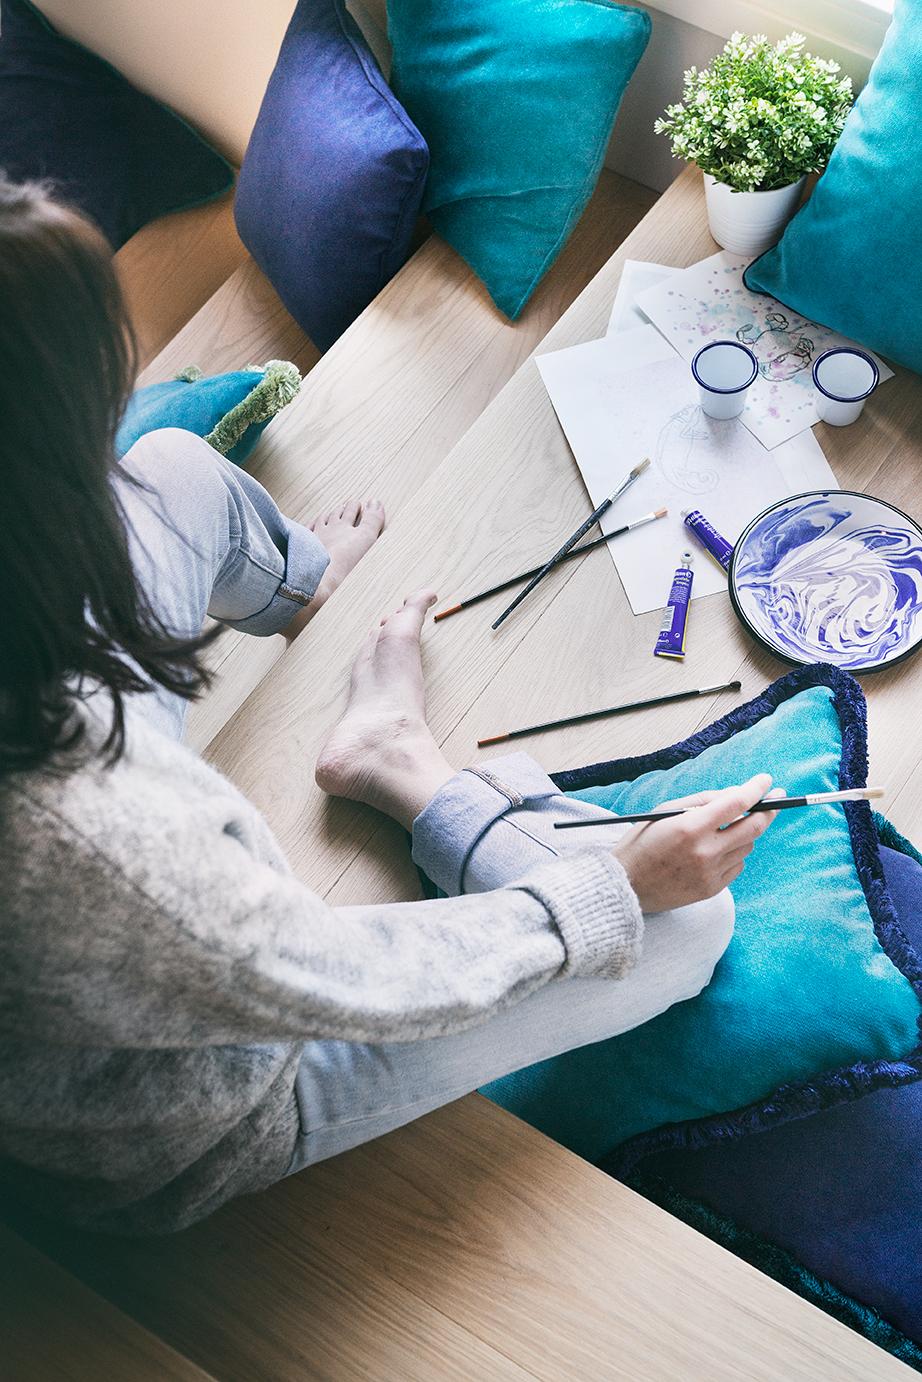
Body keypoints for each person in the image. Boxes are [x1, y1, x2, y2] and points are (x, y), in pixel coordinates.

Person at [0, 177, 777, 1236]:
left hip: (52, 681)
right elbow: (340, 973)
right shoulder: (95, 847)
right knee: (687, 924)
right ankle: (406, 767)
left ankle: (309, 590)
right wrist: (613, 887)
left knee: (172, 466)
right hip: (219, 1095)